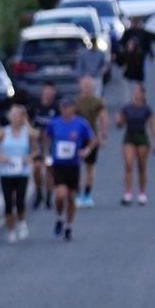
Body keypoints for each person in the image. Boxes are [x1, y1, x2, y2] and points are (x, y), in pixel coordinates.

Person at [45, 94, 98, 241]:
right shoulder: (54, 123)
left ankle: (68, 226)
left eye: (68, 107)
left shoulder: (81, 124)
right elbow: (47, 137)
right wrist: (47, 154)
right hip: (59, 164)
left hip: (73, 165)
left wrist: (86, 150)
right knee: (60, 195)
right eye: (63, 108)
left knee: (71, 197)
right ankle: (59, 217)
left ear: (73, 109)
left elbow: (93, 140)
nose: (65, 110)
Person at [0, 102, 37, 243]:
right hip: (6, 172)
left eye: (17, 115)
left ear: (22, 117)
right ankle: (10, 230)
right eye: (12, 114)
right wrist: (0, 157)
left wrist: (29, 158)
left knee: (20, 201)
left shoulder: (27, 133)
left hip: (22, 172)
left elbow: (35, 150)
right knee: (8, 202)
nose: (14, 117)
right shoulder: (4, 132)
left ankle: (21, 222)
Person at [115, 84, 155, 204]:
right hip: (129, 137)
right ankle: (128, 193)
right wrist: (118, 121)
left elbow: (152, 125)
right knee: (129, 164)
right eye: (133, 92)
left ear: (142, 94)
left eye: (137, 92)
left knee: (141, 166)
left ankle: (142, 193)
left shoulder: (147, 109)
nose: (135, 94)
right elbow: (120, 124)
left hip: (141, 137)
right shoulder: (127, 108)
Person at [72, 74, 109, 208]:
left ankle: (87, 194)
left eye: (89, 86)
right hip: (76, 138)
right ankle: (76, 193)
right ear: (80, 86)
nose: (86, 88)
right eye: (84, 85)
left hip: (92, 138)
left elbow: (104, 118)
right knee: (74, 166)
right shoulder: (75, 102)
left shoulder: (97, 101)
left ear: (93, 87)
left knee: (90, 167)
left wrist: (103, 136)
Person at [27, 81, 60, 209]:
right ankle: (38, 192)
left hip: (51, 142)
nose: (48, 93)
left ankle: (49, 195)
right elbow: (27, 121)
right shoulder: (35, 106)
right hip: (37, 142)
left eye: (51, 91)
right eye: (46, 90)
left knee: (49, 169)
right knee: (36, 168)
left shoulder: (56, 108)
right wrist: (32, 133)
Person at [118, 16, 155, 87]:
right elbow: (122, 44)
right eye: (134, 22)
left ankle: (140, 88)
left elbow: (148, 46)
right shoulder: (128, 33)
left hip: (142, 57)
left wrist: (151, 55)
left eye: (137, 22)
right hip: (130, 58)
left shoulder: (144, 33)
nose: (135, 24)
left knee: (142, 75)